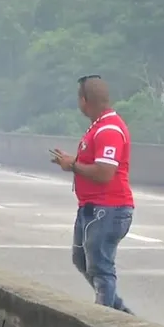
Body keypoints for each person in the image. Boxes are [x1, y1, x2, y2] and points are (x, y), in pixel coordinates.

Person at [50, 75, 134, 314]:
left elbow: (105, 172)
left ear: (85, 100)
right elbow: (96, 163)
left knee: (100, 267)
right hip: (92, 207)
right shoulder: (98, 126)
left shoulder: (109, 129)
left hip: (108, 209)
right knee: (81, 259)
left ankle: (104, 320)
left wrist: (73, 166)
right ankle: (120, 313)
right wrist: (71, 161)